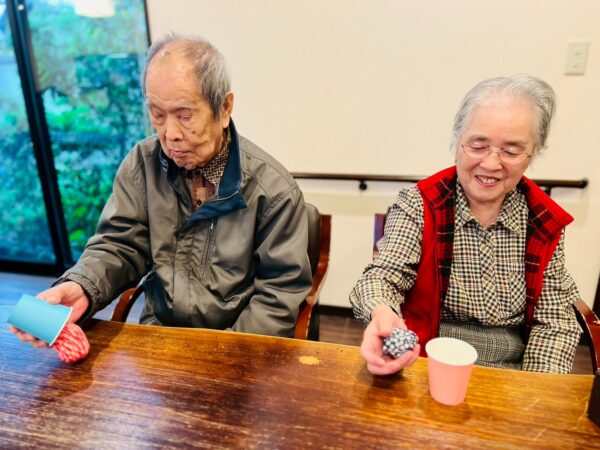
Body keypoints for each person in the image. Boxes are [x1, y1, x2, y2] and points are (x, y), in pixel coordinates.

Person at [9, 34, 312, 347]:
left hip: (234, 347)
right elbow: (120, 244)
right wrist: (82, 286)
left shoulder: (273, 191)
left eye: (184, 115)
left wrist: (222, 355)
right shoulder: (143, 164)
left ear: (224, 108)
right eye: (157, 114)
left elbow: (278, 294)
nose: (170, 134)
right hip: (159, 336)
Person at [350, 75, 582, 375]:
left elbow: (554, 321)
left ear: (531, 154)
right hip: (427, 364)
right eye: (478, 145)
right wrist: (382, 312)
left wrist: (533, 392)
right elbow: (382, 277)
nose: (491, 164)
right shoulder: (420, 204)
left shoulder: (543, 220)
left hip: (511, 374)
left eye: (511, 151)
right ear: (457, 140)